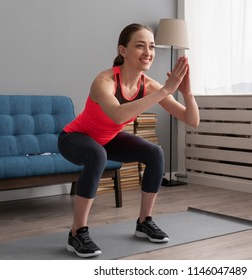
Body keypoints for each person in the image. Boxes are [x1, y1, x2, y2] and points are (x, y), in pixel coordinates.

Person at [58, 23, 200, 258]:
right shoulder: (104, 81)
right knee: (97, 154)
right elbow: (119, 115)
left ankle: (144, 222)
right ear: (122, 50)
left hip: (107, 139)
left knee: (155, 153)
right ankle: (76, 233)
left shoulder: (149, 85)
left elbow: (191, 119)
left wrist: (187, 93)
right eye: (140, 46)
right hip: (74, 138)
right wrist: (165, 90)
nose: (148, 53)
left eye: (152, 47)